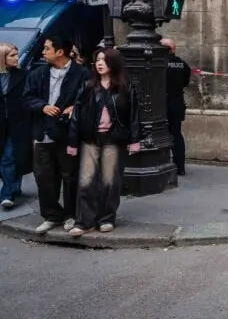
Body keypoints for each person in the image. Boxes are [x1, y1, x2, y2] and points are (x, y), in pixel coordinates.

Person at [66, 48, 141, 236]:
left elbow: (134, 115)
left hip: (114, 140)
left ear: (113, 63)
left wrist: (134, 140)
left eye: (104, 60)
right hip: (90, 139)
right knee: (86, 181)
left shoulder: (125, 87)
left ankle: (106, 218)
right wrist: (72, 142)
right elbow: (77, 115)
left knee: (110, 181)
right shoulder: (88, 86)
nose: (99, 63)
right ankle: (84, 221)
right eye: (97, 59)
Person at [22, 36, 90, 234]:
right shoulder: (37, 74)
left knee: (70, 176)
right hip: (42, 133)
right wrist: (42, 106)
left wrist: (73, 108)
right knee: (43, 176)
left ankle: (71, 214)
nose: (43, 52)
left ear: (60, 52)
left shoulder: (82, 74)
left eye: (47, 48)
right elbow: (26, 99)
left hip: (67, 133)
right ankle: (51, 215)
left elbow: (88, 99)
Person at [0, 43, 32, 209]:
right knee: (7, 157)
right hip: (1, 123)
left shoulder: (23, 75)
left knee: (9, 156)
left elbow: (28, 97)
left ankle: (7, 194)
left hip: (18, 122)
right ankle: (14, 187)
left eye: (16, 54)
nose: (16, 58)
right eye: (11, 55)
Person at [161, 38, 191, 175]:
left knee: (159, 133)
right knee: (176, 134)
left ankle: (162, 164)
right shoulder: (183, 65)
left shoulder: (160, 63)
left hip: (161, 103)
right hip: (177, 102)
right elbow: (185, 83)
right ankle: (180, 167)